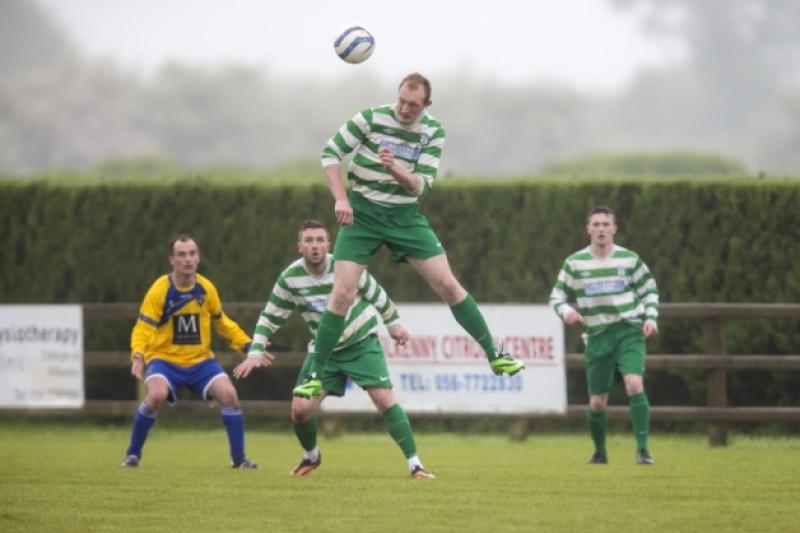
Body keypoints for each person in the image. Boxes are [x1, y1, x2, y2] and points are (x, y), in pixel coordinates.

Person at [292, 72, 524, 400]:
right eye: (401, 100)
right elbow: (330, 154)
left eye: (412, 105)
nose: (404, 109)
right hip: (362, 214)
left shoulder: (434, 130)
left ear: (426, 105)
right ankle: (315, 373)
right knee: (342, 292)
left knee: (448, 285)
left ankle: (495, 355)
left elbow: (421, 185)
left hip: (405, 216)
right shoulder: (369, 118)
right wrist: (341, 197)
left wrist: (395, 169)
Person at [233, 220, 435, 479]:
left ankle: (415, 465)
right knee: (300, 410)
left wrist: (393, 324)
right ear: (300, 246)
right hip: (323, 353)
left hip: (361, 343)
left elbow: (378, 294)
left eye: (320, 240)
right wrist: (255, 351)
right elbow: (269, 317)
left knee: (384, 399)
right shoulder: (290, 279)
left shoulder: (345, 266)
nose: (315, 245)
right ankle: (312, 456)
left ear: (329, 244)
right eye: (309, 240)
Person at [121, 234, 267, 468]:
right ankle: (132, 455)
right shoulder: (160, 290)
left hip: (200, 362)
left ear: (198, 257)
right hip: (164, 360)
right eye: (181, 254)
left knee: (230, 396)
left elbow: (222, 322)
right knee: (155, 395)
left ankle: (239, 460)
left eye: (192, 254)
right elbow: (143, 327)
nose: (188, 259)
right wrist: (138, 355)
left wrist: (248, 345)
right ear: (171, 259)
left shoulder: (206, 288)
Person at [549, 206, 659, 465]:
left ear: (614, 229)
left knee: (634, 383)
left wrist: (651, 318)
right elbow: (556, 296)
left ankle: (643, 450)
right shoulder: (574, 263)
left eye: (605, 224)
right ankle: (600, 453)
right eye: (595, 224)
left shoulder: (630, 260)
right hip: (597, 334)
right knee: (598, 402)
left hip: (628, 330)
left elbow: (650, 291)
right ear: (588, 229)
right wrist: (567, 312)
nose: (600, 229)